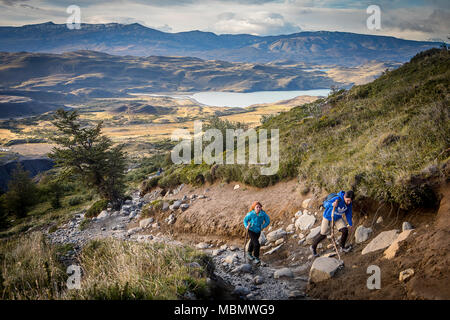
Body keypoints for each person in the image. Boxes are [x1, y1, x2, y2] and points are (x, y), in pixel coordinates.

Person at [310, 190, 354, 257]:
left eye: (350, 201)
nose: (349, 202)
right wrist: (332, 204)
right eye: (347, 200)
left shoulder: (349, 204)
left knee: (345, 230)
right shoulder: (337, 198)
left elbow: (348, 213)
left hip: (338, 218)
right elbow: (325, 204)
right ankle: (313, 247)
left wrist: (350, 223)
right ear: (344, 196)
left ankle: (342, 247)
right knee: (323, 234)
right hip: (328, 217)